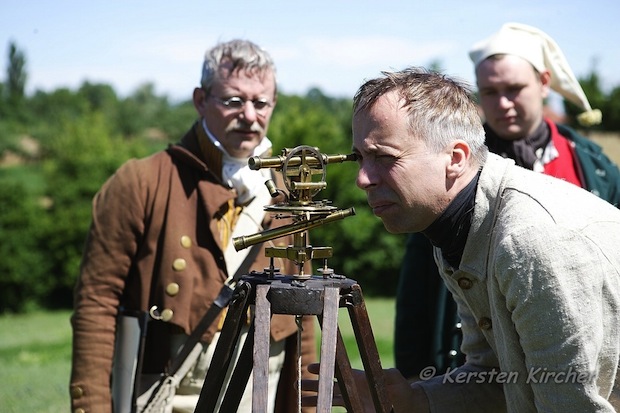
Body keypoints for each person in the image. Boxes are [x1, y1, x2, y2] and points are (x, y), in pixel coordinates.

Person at [305, 66, 620, 412]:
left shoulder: (528, 241)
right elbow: (496, 376)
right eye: (360, 158)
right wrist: (415, 399)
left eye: (385, 157)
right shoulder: (457, 228)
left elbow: (570, 405)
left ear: (455, 159)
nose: (363, 179)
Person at [69, 39, 316, 413]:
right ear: (201, 100)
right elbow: (96, 304)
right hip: (168, 390)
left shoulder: (288, 190)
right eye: (233, 100)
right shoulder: (141, 182)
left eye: (261, 102)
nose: (249, 115)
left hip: (263, 388)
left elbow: (305, 307)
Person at [394, 22, 620, 381]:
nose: (502, 103)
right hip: (478, 366)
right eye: (489, 91)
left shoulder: (592, 166)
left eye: (514, 89)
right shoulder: (451, 169)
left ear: (544, 83)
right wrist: (415, 383)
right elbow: (419, 290)